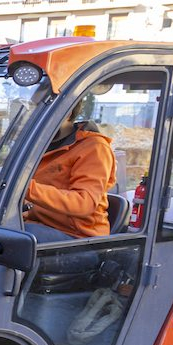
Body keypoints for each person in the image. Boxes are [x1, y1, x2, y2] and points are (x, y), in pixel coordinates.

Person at [24, 99, 117, 241]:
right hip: (42, 224)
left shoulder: (94, 148)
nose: (33, 120)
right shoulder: (41, 145)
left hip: (78, 237)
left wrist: (24, 187)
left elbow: (84, 203)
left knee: (15, 236)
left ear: (66, 113)